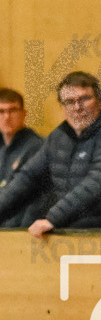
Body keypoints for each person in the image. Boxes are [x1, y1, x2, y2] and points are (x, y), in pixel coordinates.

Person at [0, 71, 101, 238]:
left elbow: (100, 180)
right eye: (70, 102)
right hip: (75, 239)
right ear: (62, 107)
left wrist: (53, 218)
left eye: (85, 99)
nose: (77, 107)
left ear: (100, 101)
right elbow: (28, 179)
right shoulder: (59, 137)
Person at [0, 88, 44, 228]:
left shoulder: (36, 147)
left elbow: (37, 201)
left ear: (24, 114)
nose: (7, 117)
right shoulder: (2, 150)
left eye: (12, 110)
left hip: (20, 234)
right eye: (1, 111)